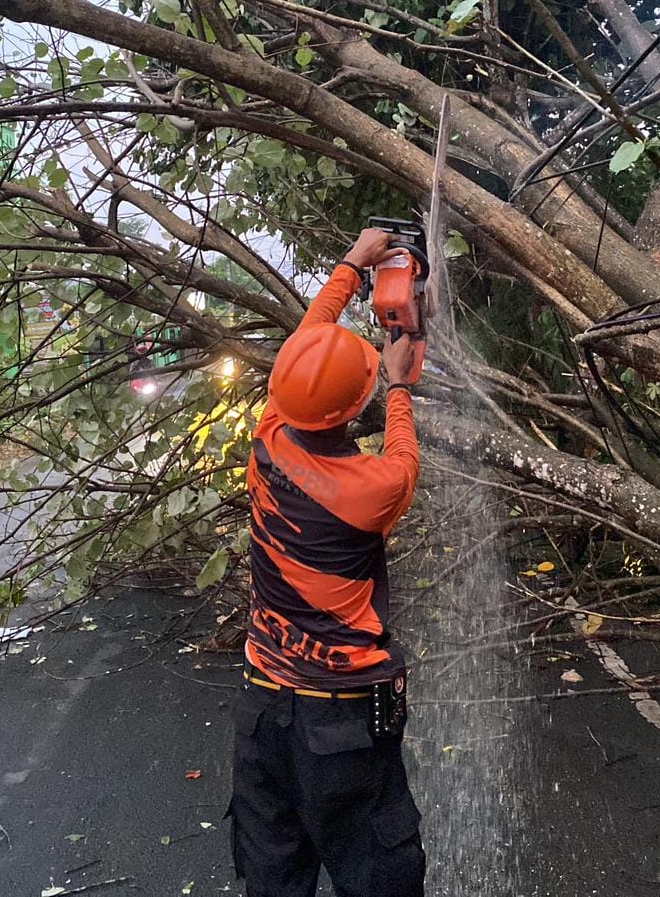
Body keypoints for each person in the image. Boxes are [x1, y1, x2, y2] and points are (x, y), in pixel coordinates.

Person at [227, 227, 425, 897]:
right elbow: (402, 457)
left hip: (262, 713)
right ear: (356, 403)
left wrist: (350, 264)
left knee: (274, 879)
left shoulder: (268, 435)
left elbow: (304, 350)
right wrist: (400, 386)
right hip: (341, 723)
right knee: (378, 876)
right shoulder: (373, 490)